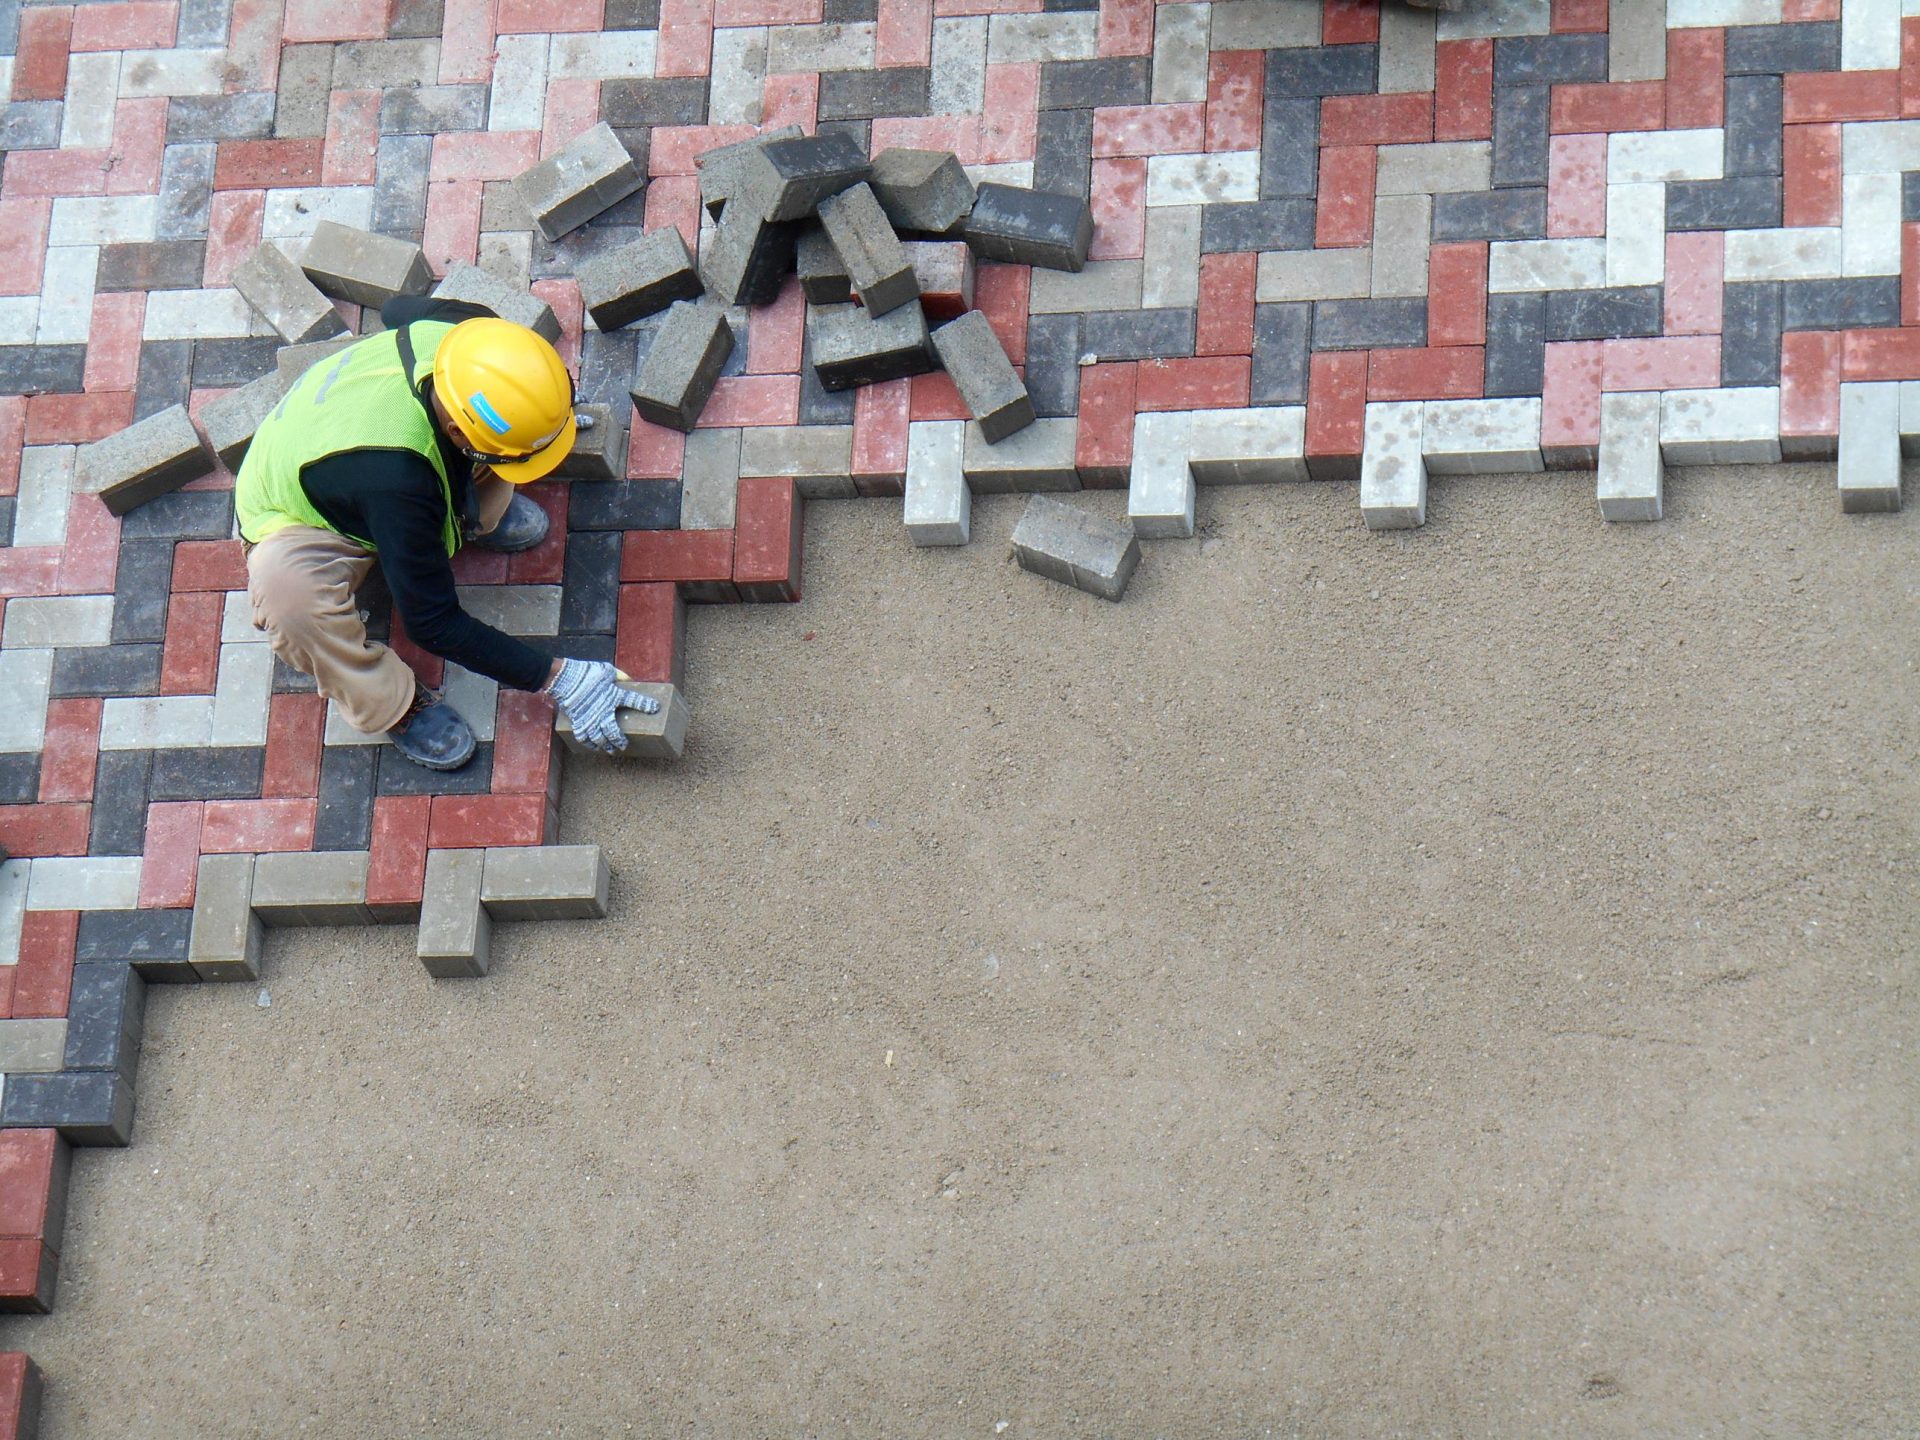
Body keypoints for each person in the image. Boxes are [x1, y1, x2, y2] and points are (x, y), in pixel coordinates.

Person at [235, 296, 657, 769]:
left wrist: (544, 421)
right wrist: (555, 678)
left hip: (363, 436)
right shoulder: (394, 479)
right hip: (302, 508)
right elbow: (432, 623)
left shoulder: (476, 340)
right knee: (292, 606)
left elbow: (395, 309)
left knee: (493, 457)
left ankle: (465, 510)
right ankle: (395, 706)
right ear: (457, 429)